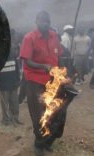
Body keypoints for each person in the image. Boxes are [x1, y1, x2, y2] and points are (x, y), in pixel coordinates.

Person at [20, 11, 63, 156]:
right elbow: (27, 60)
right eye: (42, 21)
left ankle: (46, 140)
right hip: (34, 81)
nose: (46, 23)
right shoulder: (29, 38)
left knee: (51, 112)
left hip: (52, 82)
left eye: (48, 21)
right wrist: (43, 66)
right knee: (38, 114)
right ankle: (38, 144)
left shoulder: (54, 36)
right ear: (36, 21)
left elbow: (59, 56)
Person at [0, 30, 22, 126]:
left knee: (14, 101)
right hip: (3, 82)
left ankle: (15, 118)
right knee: (5, 102)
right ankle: (6, 120)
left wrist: (18, 78)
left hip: (13, 80)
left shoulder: (13, 50)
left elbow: (17, 65)